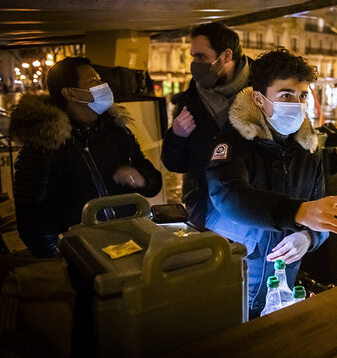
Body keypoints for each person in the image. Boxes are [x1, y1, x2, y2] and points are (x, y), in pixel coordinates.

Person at [205, 47, 337, 318]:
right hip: (237, 280)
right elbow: (227, 196)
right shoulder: (233, 144)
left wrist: (309, 237)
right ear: (259, 99)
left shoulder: (308, 151)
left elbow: (318, 209)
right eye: (286, 95)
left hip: (282, 285)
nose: (297, 103)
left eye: (301, 96)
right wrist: (297, 212)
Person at [9, 57, 162, 258]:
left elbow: (153, 181)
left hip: (129, 243)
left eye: (100, 80)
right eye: (93, 82)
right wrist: (61, 260)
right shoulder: (43, 146)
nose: (103, 86)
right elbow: (32, 219)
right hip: (82, 255)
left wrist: (141, 178)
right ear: (70, 93)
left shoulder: (117, 132)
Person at [161, 22, 252, 227]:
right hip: (206, 210)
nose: (194, 63)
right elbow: (175, 164)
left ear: (226, 56)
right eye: (193, 56)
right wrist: (176, 135)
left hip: (252, 208)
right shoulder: (189, 100)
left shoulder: (264, 89)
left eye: (201, 56)